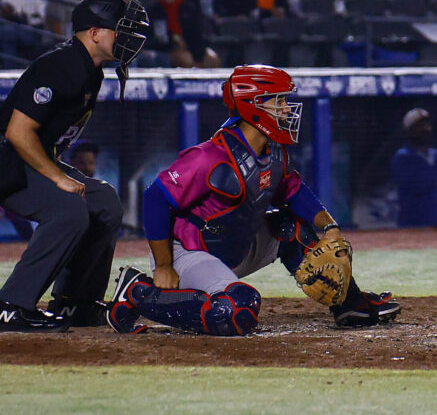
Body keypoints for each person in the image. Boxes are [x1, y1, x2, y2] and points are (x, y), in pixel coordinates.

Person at [105, 65, 400, 335]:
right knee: (235, 312)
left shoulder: (274, 152)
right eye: (279, 101)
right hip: (191, 253)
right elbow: (155, 199)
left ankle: (350, 305)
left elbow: (294, 192)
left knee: (288, 225)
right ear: (254, 106)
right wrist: (163, 266)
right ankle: (139, 293)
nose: (287, 109)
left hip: (236, 246)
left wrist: (330, 226)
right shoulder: (210, 156)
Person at [0, 0, 149, 331]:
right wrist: (57, 178)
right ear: (95, 33)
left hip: (19, 158)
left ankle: (74, 303)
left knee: (105, 202)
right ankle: (11, 305)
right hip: (7, 159)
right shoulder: (62, 64)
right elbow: (18, 132)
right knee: (68, 209)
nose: (127, 40)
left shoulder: (89, 69)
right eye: (120, 31)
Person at [148, 0, 220, 68]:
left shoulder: (189, 8)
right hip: (167, 49)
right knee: (185, 59)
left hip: (193, 47)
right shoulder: (153, 12)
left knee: (212, 59)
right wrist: (174, 39)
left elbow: (201, 32)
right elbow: (152, 38)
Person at [389, 108, 437, 227]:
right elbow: (419, 185)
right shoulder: (402, 157)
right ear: (409, 130)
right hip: (413, 221)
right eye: (419, 126)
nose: (425, 129)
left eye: (427, 125)